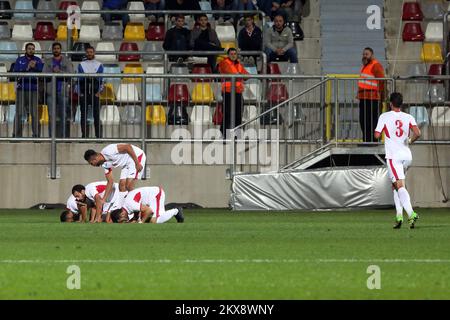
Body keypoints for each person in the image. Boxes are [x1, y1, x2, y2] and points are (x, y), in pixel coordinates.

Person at [374, 92, 421, 229]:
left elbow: (376, 134)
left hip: (394, 156)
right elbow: (418, 133)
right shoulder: (408, 116)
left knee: (399, 186)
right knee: (396, 186)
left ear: (390, 104)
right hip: (407, 156)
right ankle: (399, 216)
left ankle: (411, 213)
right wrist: (410, 140)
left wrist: (383, 131)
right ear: (401, 104)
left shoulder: (384, 116)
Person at [83, 143, 146, 211]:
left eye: (91, 163)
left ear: (94, 158)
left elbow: (127, 147)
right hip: (127, 163)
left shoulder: (108, 151)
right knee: (121, 186)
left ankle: (140, 210)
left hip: (136, 156)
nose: (93, 165)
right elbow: (110, 181)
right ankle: (121, 210)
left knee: (129, 186)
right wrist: (103, 200)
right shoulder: (104, 164)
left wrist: (137, 163)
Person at [13, 43, 44, 138]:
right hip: (21, 89)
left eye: (33, 49)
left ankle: (36, 135)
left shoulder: (38, 60)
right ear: (25, 50)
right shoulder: (20, 60)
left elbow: (42, 74)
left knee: (34, 113)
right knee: (18, 113)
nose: (31, 50)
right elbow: (16, 73)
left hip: (33, 90)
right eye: (29, 48)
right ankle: (16, 135)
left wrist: (34, 67)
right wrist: (27, 67)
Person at [43, 42, 74, 138]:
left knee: (63, 115)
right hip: (50, 91)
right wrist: (52, 71)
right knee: (51, 116)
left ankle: (63, 137)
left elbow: (71, 74)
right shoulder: (48, 61)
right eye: (54, 48)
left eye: (58, 48)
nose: (56, 50)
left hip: (63, 91)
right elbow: (43, 74)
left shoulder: (67, 61)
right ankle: (51, 137)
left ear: (60, 50)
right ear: (52, 50)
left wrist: (59, 72)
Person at [218, 48, 249, 138]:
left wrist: (240, 74)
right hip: (228, 91)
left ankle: (238, 135)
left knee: (238, 114)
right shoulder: (224, 62)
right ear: (228, 55)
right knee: (228, 114)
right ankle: (225, 135)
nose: (233, 55)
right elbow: (230, 72)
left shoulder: (239, 64)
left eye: (235, 54)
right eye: (231, 54)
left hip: (238, 91)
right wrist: (240, 74)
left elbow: (246, 75)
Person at [110, 187, 184, 224]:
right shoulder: (127, 205)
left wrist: (141, 222)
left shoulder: (129, 205)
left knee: (155, 221)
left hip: (156, 194)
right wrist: (135, 218)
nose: (124, 221)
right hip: (153, 195)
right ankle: (175, 211)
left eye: (122, 220)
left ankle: (176, 210)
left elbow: (148, 210)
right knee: (149, 218)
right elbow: (137, 208)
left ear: (122, 214)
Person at [358, 47, 385, 143]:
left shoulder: (376, 65)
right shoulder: (365, 66)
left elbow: (382, 82)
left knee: (373, 122)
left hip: (373, 98)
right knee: (363, 121)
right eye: (364, 54)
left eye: (367, 54)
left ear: (372, 55)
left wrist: (381, 97)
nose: (365, 56)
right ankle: (366, 140)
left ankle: (373, 141)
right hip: (363, 98)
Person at [77, 46, 104, 138]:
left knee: (96, 114)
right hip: (84, 92)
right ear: (86, 53)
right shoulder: (81, 64)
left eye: (91, 52)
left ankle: (98, 135)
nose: (89, 53)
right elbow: (79, 78)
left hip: (95, 92)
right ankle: (84, 135)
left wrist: (99, 92)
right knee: (83, 115)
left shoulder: (99, 64)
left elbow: (100, 79)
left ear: (94, 53)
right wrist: (80, 92)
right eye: (88, 52)